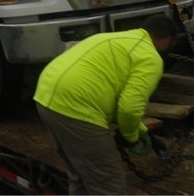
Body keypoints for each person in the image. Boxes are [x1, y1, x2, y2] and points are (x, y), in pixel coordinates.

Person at [33, 14, 177, 195]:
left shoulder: (113, 38)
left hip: (46, 96)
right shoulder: (150, 57)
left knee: (81, 176)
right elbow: (130, 108)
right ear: (167, 40)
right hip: (77, 107)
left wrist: (144, 132)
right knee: (109, 186)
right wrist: (130, 138)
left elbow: (116, 98)